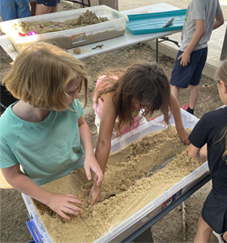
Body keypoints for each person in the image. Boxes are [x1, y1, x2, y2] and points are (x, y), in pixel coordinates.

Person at [0, 42, 103, 220]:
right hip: (47, 187)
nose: (77, 96)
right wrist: (50, 199)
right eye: (71, 92)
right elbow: (14, 176)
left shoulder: (67, 105)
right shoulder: (5, 130)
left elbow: (81, 124)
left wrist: (89, 154)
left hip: (78, 173)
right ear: (43, 94)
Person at [89, 61, 190, 205]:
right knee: (116, 147)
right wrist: (96, 185)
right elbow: (103, 142)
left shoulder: (153, 88)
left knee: (136, 140)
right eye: (143, 105)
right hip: (110, 115)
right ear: (132, 94)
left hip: (133, 111)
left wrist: (181, 130)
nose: (146, 108)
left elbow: (172, 101)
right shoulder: (112, 97)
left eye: (147, 107)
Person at [188, 52, 227, 243]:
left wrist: (205, 155)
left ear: (223, 86)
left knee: (204, 226)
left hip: (222, 197)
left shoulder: (211, 120)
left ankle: (225, 235)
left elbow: (192, 152)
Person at [170, 0, 224, 115]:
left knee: (174, 84)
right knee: (195, 83)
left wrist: (187, 52)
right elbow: (220, 21)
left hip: (190, 49)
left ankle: (171, 116)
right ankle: (190, 111)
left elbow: (200, 30)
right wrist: (204, 34)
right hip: (202, 49)